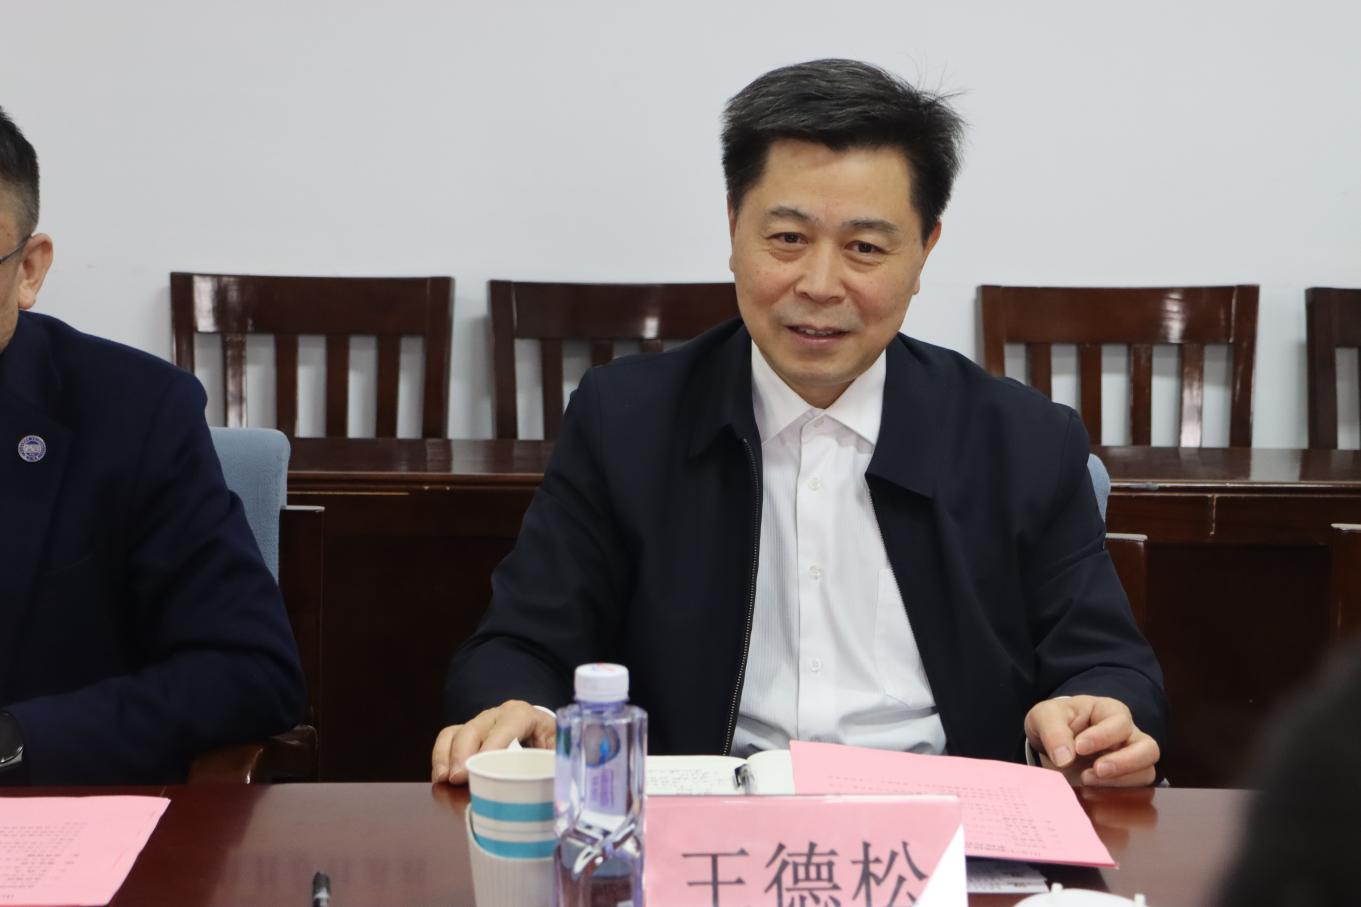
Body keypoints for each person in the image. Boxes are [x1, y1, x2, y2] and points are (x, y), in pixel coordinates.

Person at [434, 59, 1166, 787]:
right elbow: (520, 643)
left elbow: (1106, 663)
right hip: (704, 819)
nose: (818, 285)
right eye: (787, 238)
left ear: (924, 252)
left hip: (945, 818)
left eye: (865, 248)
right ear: (733, 227)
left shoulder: (1023, 440)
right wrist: (520, 707)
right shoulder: (625, 420)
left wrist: (1098, 711)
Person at [0, 107, 304, 785]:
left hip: (45, 815)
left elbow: (250, 672)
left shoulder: (135, 414)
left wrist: (15, 740)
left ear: (29, 270)